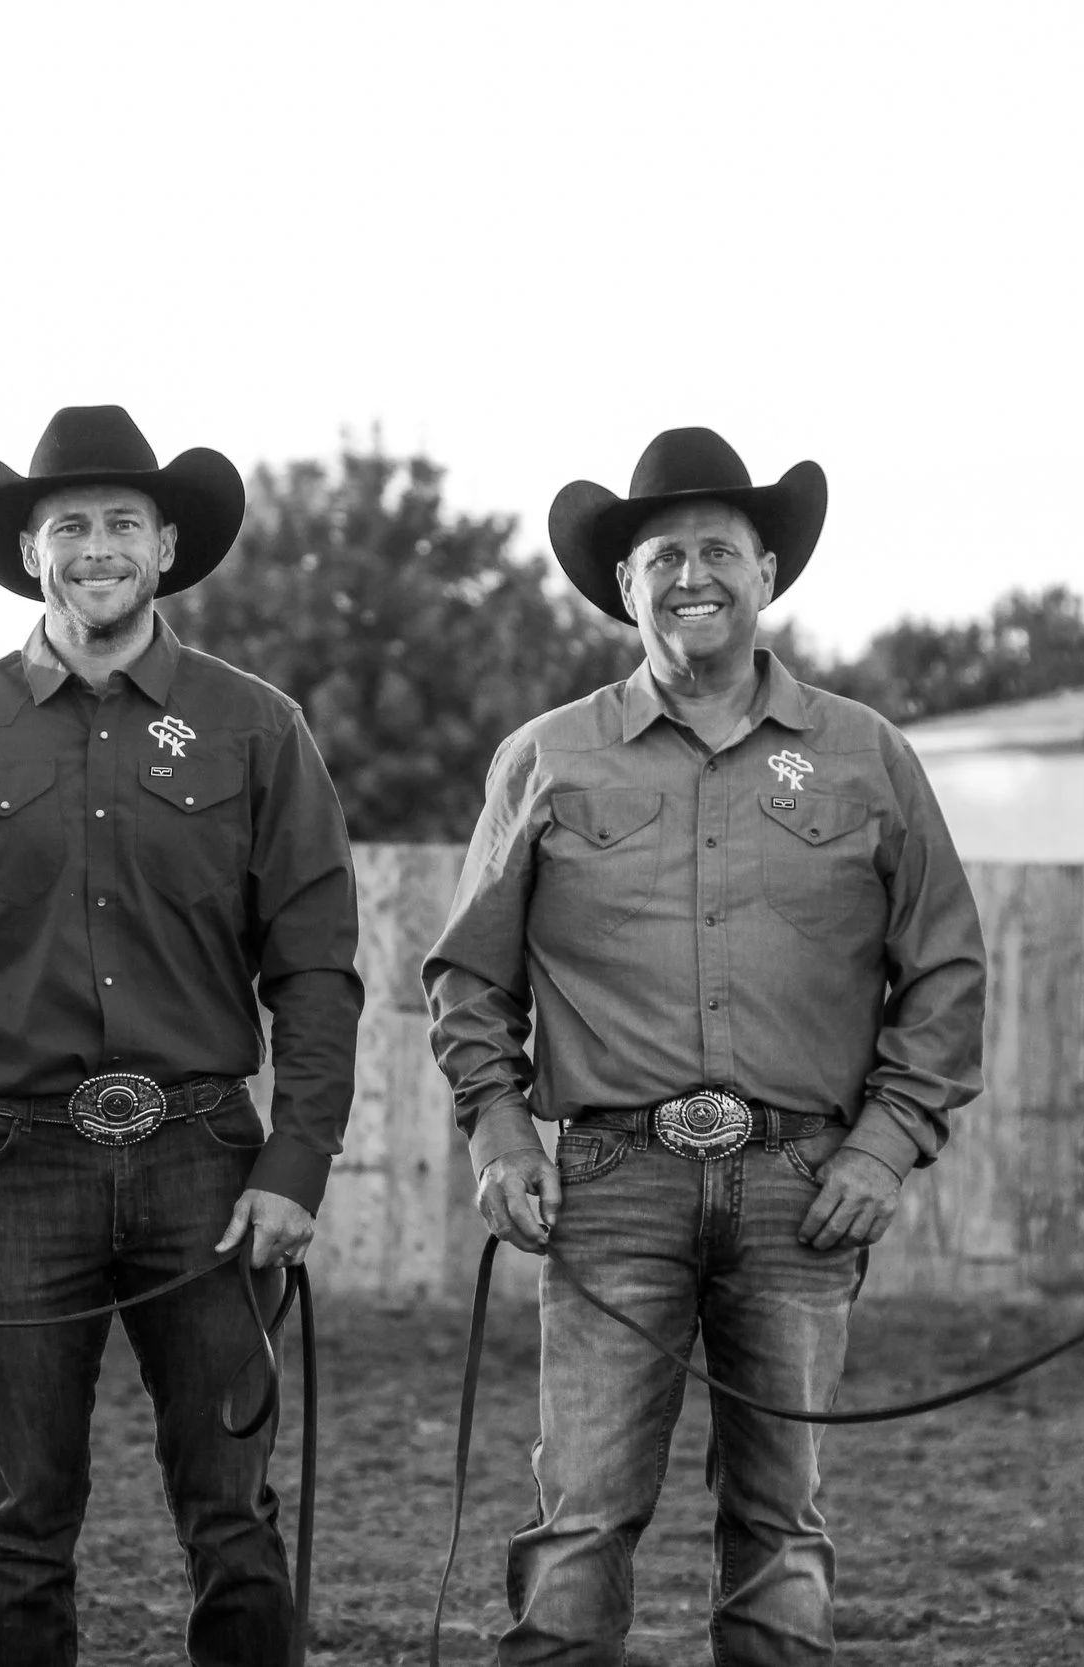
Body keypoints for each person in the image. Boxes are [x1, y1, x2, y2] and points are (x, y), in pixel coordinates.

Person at [0, 405, 362, 1667]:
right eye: (70, 526)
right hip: (16, 1167)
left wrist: (296, 1163)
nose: (98, 547)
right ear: (29, 552)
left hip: (206, 1164)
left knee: (233, 1517)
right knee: (21, 1525)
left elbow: (316, 968)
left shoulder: (257, 727)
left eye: (122, 523)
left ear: (165, 546)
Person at [423, 427, 986, 1664]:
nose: (693, 575)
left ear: (766, 570)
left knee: (782, 1526)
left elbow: (945, 969)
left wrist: (885, 1145)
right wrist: (500, 1131)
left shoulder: (866, 753)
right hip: (613, 1183)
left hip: (803, 1189)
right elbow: (470, 975)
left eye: (719, 550)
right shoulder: (547, 756)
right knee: (580, 1521)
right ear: (624, 584)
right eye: (663, 555)